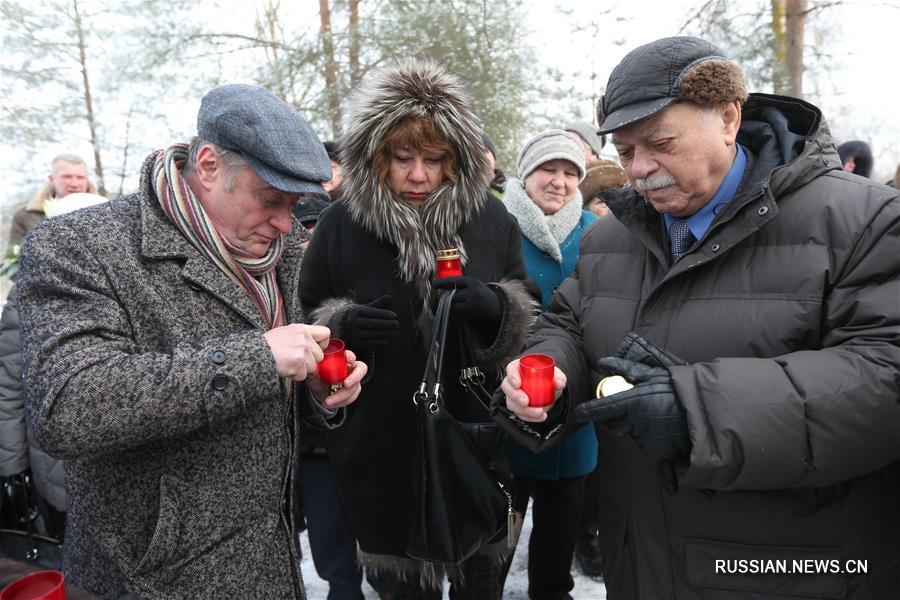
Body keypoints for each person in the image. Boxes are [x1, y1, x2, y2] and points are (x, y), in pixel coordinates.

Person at [494, 36, 900, 599]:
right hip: (640, 561)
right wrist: (545, 369)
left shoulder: (862, 220)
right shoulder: (611, 239)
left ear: (729, 118)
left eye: (659, 144)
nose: (639, 171)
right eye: (624, 152)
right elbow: (567, 323)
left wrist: (696, 409)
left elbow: (885, 376)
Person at [16, 84, 367, 599]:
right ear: (207, 166)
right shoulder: (80, 245)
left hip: (268, 560)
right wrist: (259, 358)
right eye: (271, 200)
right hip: (152, 576)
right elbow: (66, 406)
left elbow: (275, 395)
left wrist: (316, 393)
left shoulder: (280, 244)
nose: (286, 223)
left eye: (296, 205)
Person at [300, 57, 536, 599]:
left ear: (457, 160)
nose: (418, 175)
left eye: (435, 159)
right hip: (378, 441)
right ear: (374, 155)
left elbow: (529, 310)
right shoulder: (341, 223)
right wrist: (343, 322)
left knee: (481, 579)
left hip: (471, 432)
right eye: (402, 158)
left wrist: (497, 307)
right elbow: (304, 315)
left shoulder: (491, 219)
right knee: (401, 584)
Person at [498, 129, 597, 600]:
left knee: (557, 547)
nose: (559, 182)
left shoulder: (595, 233)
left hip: (573, 412)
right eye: (548, 170)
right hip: (508, 404)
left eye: (570, 172)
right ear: (526, 173)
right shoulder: (496, 226)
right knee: (495, 541)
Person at [1, 193, 110, 545]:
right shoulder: (28, 295)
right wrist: (12, 467)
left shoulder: (133, 284)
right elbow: (9, 384)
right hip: (57, 467)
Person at [8, 154, 98, 248]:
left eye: (80, 177)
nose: (74, 184)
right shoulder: (26, 216)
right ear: (52, 179)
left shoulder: (108, 211)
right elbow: (12, 258)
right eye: (67, 177)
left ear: (87, 179)